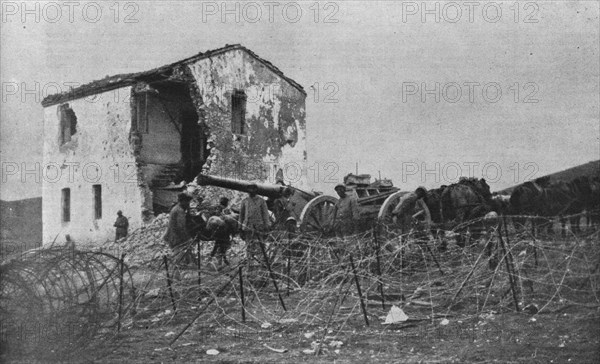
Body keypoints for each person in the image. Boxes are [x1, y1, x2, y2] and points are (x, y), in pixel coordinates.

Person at [239, 184, 271, 261]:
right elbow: (241, 216)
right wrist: (240, 228)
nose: (250, 192)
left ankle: (261, 265)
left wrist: (267, 227)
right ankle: (249, 265)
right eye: (249, 191)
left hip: (259, 227)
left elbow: (265, 215)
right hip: (248, 228)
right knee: (249, 247)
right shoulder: (245, 201)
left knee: (260, 247)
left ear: (256, 191)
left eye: (252, 190)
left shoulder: (261, 201)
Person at [164, 192, 193, 263]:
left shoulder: (176, 208)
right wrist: (187, 238)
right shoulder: (180, 211)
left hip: (172, 236)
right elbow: (181, 227)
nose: (188, 204)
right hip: (176, 238)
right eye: (187, 202)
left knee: (184, 256)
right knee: (179, 259)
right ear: (182, 201)